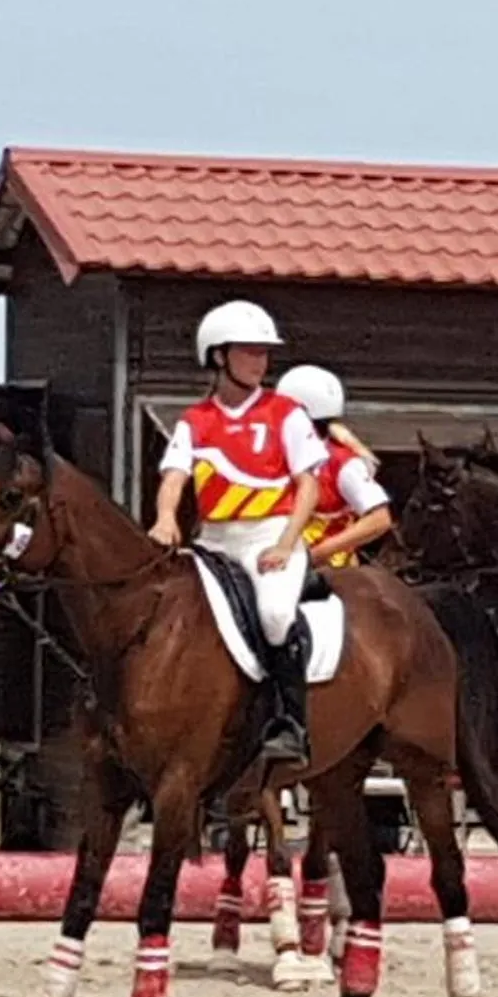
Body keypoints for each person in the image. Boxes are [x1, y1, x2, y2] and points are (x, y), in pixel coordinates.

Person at [149, 300, 328, 764]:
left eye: (264, 352)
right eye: (249, 351)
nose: (260, 361)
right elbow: (174, 478)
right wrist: (165, 518)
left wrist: (287, 544)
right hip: (213, 540)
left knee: (274, 613)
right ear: (219, 356)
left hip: (270, 534)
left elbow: (309, 486)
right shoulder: (194, 421)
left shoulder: (286, 413)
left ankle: (290, 724)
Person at [274, 364, 395, 568]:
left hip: (328, 569)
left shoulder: (342, 463)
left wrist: (317, 554)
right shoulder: (276, 453)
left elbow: (379, 519)